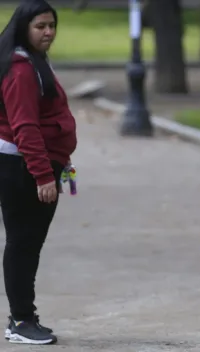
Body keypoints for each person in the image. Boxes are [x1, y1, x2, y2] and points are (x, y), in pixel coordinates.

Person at [0, 0, 77, 345]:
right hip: (22, 168)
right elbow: (25, 128)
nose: (48, 32)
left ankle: (24, 317)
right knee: (23, 244)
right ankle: (19, 321)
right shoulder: (21, 70)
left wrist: (62, 157)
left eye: (51, 25)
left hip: (36, 163)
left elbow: (46, 121)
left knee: (28, 244)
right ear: (23, 28)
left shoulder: (33, 62)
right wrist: (43, 174)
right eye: (40, 26)